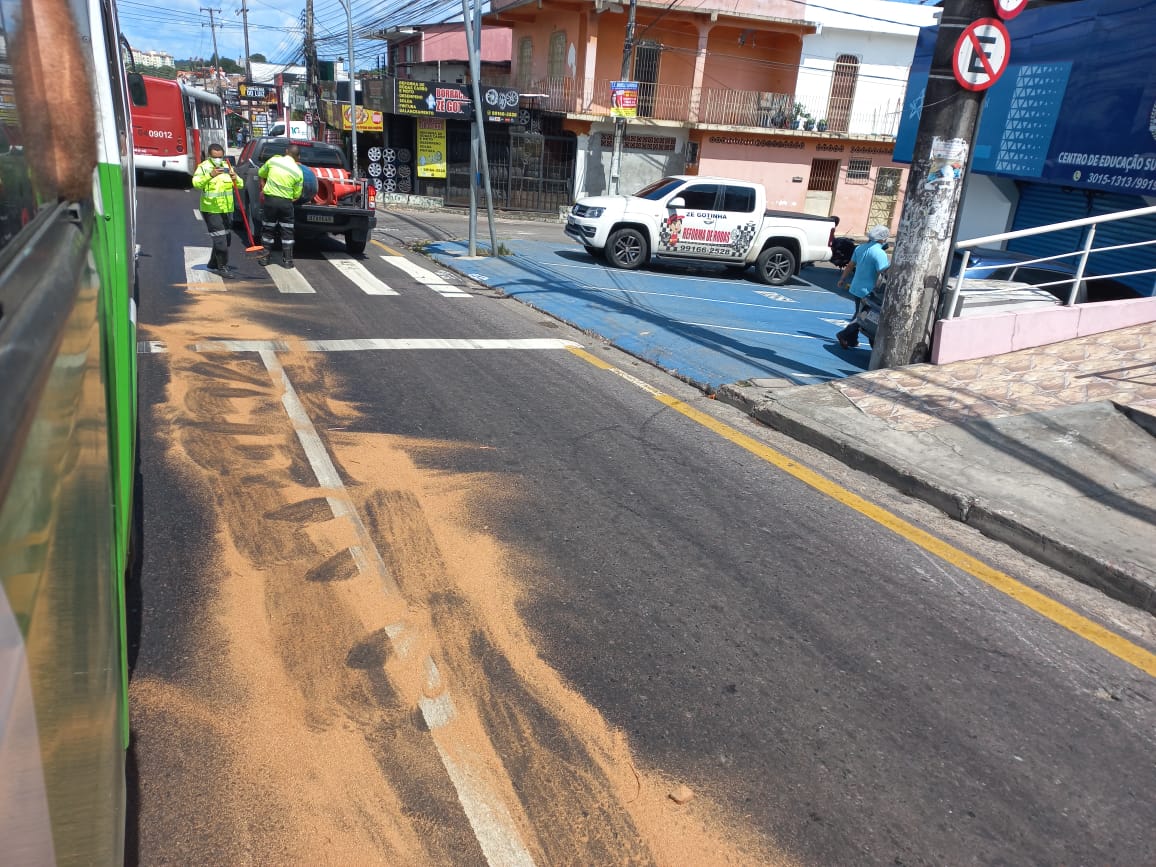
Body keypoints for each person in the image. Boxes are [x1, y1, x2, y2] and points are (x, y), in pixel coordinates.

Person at [834, 224, 891, 350]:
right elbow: (884, 273)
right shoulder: (879, 253)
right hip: (869, 290)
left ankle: (852, 339)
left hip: (856, 287)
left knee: (859, 312)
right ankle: (844, 334)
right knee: (862, 316)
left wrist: (842, 278)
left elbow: (850, 265)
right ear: (882, 239)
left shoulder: (860, 248)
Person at [191, 143, 242, 277]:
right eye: (215, 157)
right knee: (220, 240)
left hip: (226, 210)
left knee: (226, 239)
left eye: (220, 157)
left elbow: (240, 184)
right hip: (211, 209)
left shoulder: (227, 166)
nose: (218, 159)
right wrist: (210, 175)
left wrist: (236, 178)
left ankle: (213, 263)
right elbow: (196, 183)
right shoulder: (203, 168)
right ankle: (222, 267)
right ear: (209, 156)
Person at [257, 143, 303, 268]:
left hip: (270, 201)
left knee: (268, 228)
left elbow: (261, 172)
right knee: (287, 231)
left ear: (286, 151)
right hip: (286, 203)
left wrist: (264, 186)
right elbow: (297, 194)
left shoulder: (273, 161)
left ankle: (265, 259)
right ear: (298, 157)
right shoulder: (298, 172)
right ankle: (288, 261)